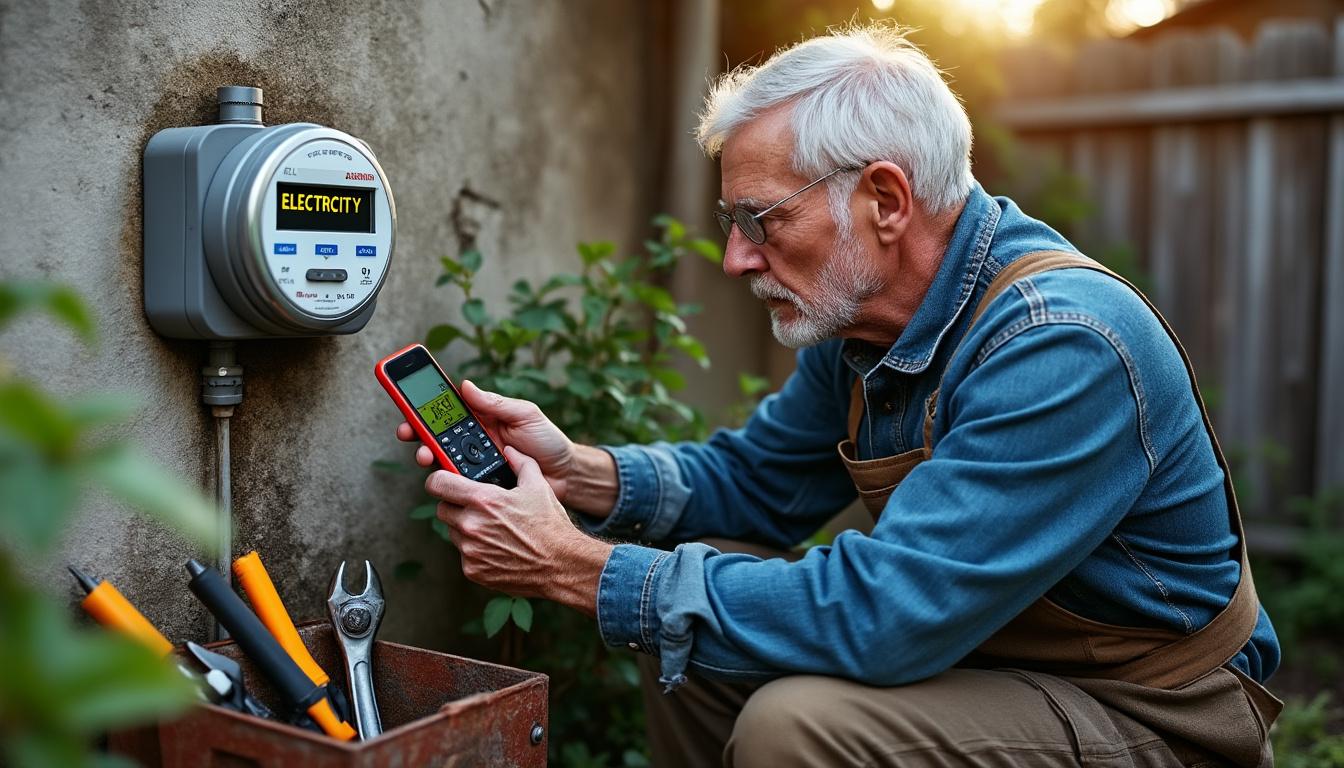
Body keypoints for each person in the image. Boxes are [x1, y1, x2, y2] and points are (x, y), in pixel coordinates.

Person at [400, 23, 1281, 767]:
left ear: (885, 199)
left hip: (1154, 709)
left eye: (762, 219)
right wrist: (577, 473)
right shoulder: (871, 322)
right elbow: (759, 482)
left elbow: (886, 614)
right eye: (732, 223)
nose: (736, 258)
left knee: (797, 727)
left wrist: (571, 564)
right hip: (988, 658)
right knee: (704, 595)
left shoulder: (1061, 346)